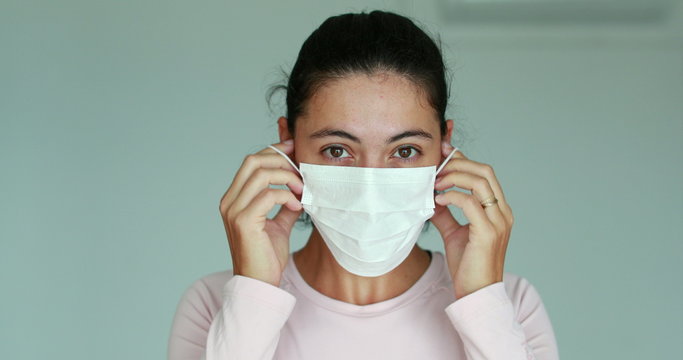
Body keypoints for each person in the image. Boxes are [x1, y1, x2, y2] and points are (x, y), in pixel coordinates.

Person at [168, 10, 559, 360]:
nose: (370, 188)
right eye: (337, 150)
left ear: (444, 150)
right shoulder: (212, 305)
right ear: (287, 143)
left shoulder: (513, 305)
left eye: (404, 151)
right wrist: (252, 297)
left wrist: (482, 303)